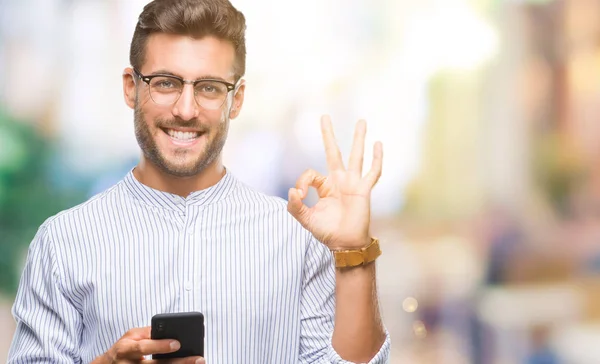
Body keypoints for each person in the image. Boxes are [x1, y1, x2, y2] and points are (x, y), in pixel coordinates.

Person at [7, 0, 391, 363]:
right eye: (166, 82)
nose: (185, 110)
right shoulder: (62, 243)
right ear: (131, 87)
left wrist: (354, 253)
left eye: (208, 87)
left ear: (236, 100)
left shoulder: (296, 238)